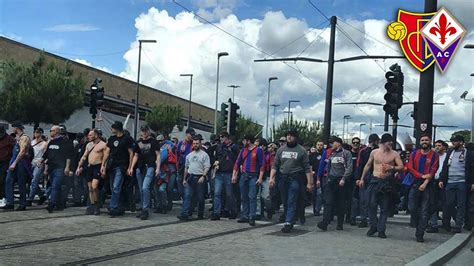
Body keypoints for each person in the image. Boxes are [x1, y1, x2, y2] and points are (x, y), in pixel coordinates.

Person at [360, 133, 404, 238]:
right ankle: (373, 226)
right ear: (384, 142)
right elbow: (368, 165)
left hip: (387, 182)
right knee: (371, 205)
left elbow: (401, 167)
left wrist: (392, 168)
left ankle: (381, 229)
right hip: (375, 180)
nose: (391, 144)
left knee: (384, 207)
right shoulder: (374, 152)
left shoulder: (394, 154)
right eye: (389, 142)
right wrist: (362, 178)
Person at [270, 128, 313, 233]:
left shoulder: (301, 150)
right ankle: (291, 217)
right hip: (282, 178)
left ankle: (288, 222)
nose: (289, 137)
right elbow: (275, 165)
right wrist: (272, 178)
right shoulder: (281, 150)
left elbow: (307, 168)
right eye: (288, 135)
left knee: (291, 200)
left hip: (295, 178)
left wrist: (309, 183)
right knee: (285, 201)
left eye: (292, 135)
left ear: (296, 137)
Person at [406, 134, 439, 242]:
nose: (424, 141)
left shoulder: (434, 155)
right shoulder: (414, 153)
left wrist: (425, 182)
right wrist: (421, 176)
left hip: (428, 185)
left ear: (430, 141)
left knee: (425, 210)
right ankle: (418, 224)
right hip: (415, 183)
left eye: (426, 140)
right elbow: (410, 168)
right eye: (422, 140)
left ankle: (420, 232)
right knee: (412, 207)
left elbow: (433, 171)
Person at [439, 135, 474, 233]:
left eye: (456, 141)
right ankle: (446, 223)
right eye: (452, 141)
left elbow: (472, 169)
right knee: (448, 204)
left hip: (462, 182)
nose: (453, 143)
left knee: (461, 204)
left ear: (461, 142)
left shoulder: (469, 154)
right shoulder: (450, 152)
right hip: (449, 182)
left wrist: (472, 182)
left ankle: (459, 225)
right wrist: (442, 179)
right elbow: (445, 167)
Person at [317, 136, 352, 231]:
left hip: (341, 181)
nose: (331, 145)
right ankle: (325, 222)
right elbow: (327, 166)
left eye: (333, 143)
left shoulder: (346, 153)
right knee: (328, 202)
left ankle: (340, 223)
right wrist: (326, 177)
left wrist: (344, 178)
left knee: (341, 203)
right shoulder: (331, 154)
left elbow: (349, 168)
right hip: (331, 180)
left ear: (339, 143)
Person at [102, 121, 134, 217]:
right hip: (112, 165)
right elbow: (107, 152)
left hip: (122, 165)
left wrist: (130, 167)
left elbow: (131, 153)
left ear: (117, 128)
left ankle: (113, 206)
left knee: (116, 186)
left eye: (113, 128)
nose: (111, 129)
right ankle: (119, 206)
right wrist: (103, 165)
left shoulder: (127, 139)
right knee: (113, 187)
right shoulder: (112, 138)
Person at [232, 134, 265, 226]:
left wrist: (260, 177)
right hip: (244, 175)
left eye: (244, 140)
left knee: (252, 196)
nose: (243, 142)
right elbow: (237, 163)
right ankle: (245, 215)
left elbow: (262, 164)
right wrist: (234, 175)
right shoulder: (243, 150)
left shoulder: (258, 150)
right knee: (244, 196)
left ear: (248, 141)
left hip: (254, 175)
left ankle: (251, 216)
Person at [129, 125, 161, 220]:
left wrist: (158, 168)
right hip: (140, 167)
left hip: (150, 166)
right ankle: (143, 208)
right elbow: (136, 155)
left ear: (149, 131)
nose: (144, 133)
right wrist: (131, 167)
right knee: (141, 189)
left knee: (145, 187)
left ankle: (145, 209)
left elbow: (158, 155)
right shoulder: (138, 142)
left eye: (146, 131)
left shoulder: (154, 142)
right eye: (143, 131)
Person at [177, 136, 210, 221]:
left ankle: (200, 214)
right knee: (187, 196)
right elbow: (186, 168)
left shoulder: (204, 155)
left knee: (200, 198)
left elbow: (207, 167)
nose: (195, 145)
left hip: (200, 177)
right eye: (194, 143)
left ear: (200, 144)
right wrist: (184, 179)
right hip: (190, 177)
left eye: (197, 143)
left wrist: (203, 176)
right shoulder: (189, 155)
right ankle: (185, 214)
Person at [42, 125, 74, 213]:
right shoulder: (51, 142)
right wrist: (43, 161)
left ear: (56, 131)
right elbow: (47, 153)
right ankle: (59, 204)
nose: (50, 132)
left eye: (51, 130)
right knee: (55, 186)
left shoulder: (64, 142)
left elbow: (68, 156)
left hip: (59, 167)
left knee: (55, 186)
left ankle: (51, 204)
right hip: (51, 167)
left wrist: (67, 167)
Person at [76, 129, 107, 215]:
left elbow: (105, 157)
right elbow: (84, 156)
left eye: (90, 135)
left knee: (94, 186)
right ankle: (92, 205)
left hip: (98, 166)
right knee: (90, 188)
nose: (88, 136)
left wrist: (103, 167)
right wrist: (79, 167)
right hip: (90, 166)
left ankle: (97, 204)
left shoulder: (103, 145)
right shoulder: (89, 145)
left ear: (96, 135)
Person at [2, 123, 32, 211]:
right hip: (15, 162)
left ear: (17, 128)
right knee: (8, 181)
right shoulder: (18, 138)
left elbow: (22, 152)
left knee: (21, 183)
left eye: (13, 128)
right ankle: (10, 203)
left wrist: (14, 163)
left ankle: (22, 204)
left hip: (21, 163)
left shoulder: (24, 138)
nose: (12, 130)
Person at [211, 131, 238, 220]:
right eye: (220, 137)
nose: (221, 138)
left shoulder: (233, 147)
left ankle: (233, 211)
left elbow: (237, 159)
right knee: (217, 193)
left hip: (228, 173)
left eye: (222, 137)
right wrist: (215, 163)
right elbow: (215, 158)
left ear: (227, 137)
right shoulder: (218, 147)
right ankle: (216, 213)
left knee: (229, 194)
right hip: (219, 172)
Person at [353, 133, 380, 228]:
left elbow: (359, 165)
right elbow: (359, 165)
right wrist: (358, 178)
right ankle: (365, 218)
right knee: (365, 199)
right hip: (368, 176)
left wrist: (358, 178)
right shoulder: (364, 151)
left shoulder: (365, 151)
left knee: (369, 200)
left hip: (371, 176)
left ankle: (368, 218)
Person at [427, 140, 448, 233]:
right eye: (436, 145)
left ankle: (446, 222)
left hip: (444, 181)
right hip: (433, 181)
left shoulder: (447, 156)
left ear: (444, 147)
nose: (437, 147)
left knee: (446, 203)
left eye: (439, 145)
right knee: (432, 203)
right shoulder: (433, 156)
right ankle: (433, 224)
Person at [27, 128, 48, 206]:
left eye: (38, 132)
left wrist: (44, 164)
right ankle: (41, 196)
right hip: (31, 163)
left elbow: (46, 155)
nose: (36, 133)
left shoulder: (45, 143)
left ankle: (30, 199)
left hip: (40, 163)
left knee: (34, 180)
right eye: (35, 132)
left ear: (41, 133)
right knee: (31, 181)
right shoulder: (32, 142)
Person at [346, 137, 361, 225]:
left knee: (355, 199)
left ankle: (352, 217)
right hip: (348, 178)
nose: (355, 144)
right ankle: (347, 216)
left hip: (357, 179)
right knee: (347, 199)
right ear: (351, 144)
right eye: (354, 142)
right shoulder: (348, 154)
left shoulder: (360, 154)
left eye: (357, 143)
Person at [176, 128, 195, 198]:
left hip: (190, 168)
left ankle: (188, 203)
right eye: (191, 135)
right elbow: (177, 155)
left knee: (189, 187)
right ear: (187, 134)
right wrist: (177, 166)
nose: (192, 136)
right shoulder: (181, 143)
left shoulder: (194, 143)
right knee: (179, 184)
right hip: (181, 167)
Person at [0, 126, 16, 207]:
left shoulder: (9, 139)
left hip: (6, 162)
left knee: (2, 180)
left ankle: (3, 198)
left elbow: (15, 149)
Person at [309, 141, 324, 216]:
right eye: (318, 145)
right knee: (314, 193)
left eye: (321, 145)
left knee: (320, 193)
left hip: (322, 176)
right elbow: (310, 166)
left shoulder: (325, 154)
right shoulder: (312, 155)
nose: (319, 146)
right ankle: (315, 209)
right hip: (314, 176)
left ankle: (318, 209)